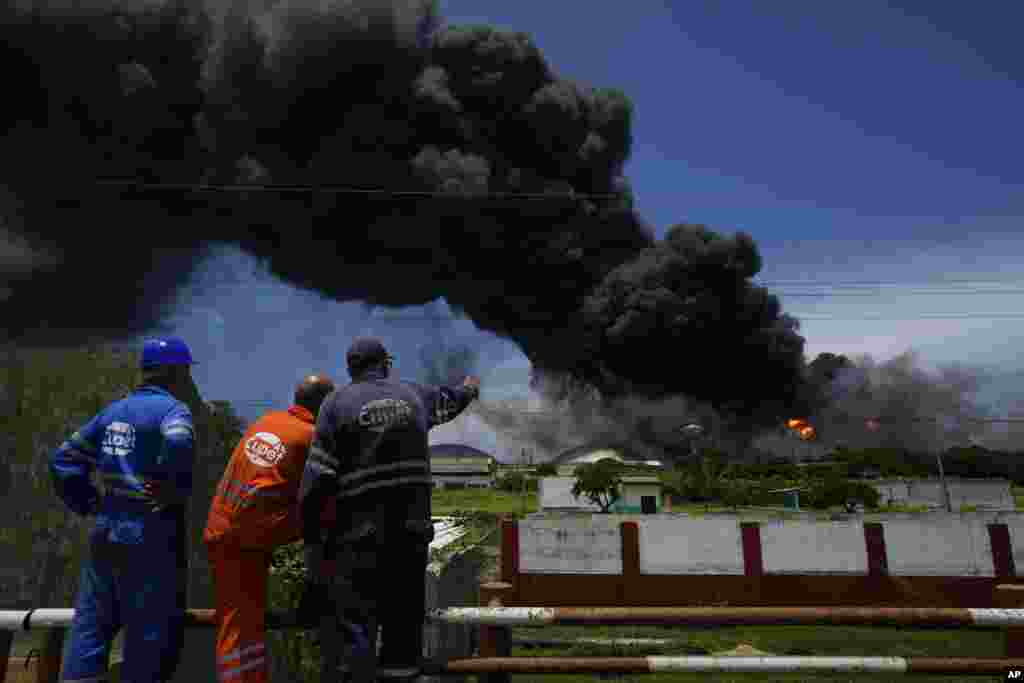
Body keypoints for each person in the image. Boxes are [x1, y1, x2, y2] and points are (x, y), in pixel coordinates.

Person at [298, 337, 480, 682]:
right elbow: (452, 400)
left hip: (358, 539)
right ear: (386, 364)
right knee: (403, 626)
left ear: (350, 369)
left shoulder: (335, 404)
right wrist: (470, 388)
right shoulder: (414, 395)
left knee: (358, 627)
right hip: (410, 536)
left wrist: (311, 539)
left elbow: (317, 480)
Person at [50, 336, 197, 683]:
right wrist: (170, 484)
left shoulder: (113, 411)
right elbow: (178, 440)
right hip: (149, 532)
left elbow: (63, 458)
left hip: (106, 529)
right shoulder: (174, 411)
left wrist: (88, 502)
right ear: (177, 373)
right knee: (149, 630)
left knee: (91, 625)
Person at [203, 374, 336, 683]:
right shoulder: (311, 437)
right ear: (326, 406)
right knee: (239, 624)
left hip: (225, 527)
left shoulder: (268, 420)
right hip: (250, 533)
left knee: (242, 618)